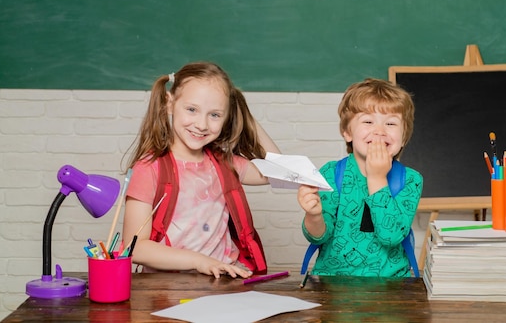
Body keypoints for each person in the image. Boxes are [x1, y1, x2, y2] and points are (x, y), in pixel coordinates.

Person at [122, 62, 279, 278]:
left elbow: (279, 171)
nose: (202, 124)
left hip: (222, 283)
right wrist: (199, 262)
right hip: (166, 289)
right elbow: (134, 247)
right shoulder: (149, 168)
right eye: (192, 110)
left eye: (215, 115)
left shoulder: (225, 163)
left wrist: (243, 113)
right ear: (169, 104)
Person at [298, 78, 423, 277]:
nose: (379, 131)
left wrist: (377, 178)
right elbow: (318, 236)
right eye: (368, 121)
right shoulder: (331, 173)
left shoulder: (410, 180)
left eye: (390, 123)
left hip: (391, 286)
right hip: (333, 284)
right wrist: (313, 214)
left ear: (404, 137)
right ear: (347, 132)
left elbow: (390, 236)